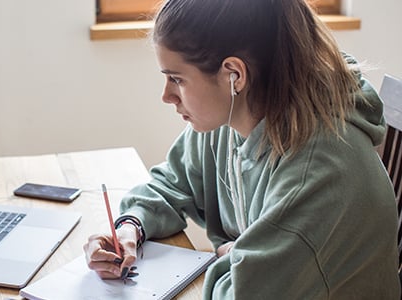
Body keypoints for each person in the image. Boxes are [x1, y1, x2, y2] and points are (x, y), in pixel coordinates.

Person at [83, 0, 401, 298]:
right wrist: (129, 227)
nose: (166, 96)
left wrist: (231, 254)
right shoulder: (232, 118)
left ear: (234, 75)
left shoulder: (319, 173)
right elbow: (170, 184)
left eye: (176, 79)